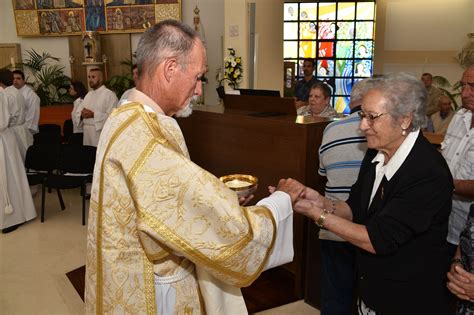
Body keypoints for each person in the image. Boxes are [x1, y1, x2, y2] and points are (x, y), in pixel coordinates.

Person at [85, 19, 301, 314]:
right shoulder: (144, 136)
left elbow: (164, 201)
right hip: (155, 293)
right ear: (170, 69)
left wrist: (223, 199)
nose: (199, 90)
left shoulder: (125, 117)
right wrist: (281, 201)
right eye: (198, 77)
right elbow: (232, 233)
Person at [289, 73, 453, 314]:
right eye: (362, 115)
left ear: (405, 120)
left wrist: (317, 215)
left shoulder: (427, 172)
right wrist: (318, 200)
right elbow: (354, 208)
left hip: (408, 298)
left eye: (371, 117)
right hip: (371, 289)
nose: (362, 125)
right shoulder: (376, 153)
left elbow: (378, 239)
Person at [317, 79, 368, 314]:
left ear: (351, 100)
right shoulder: (387, 134)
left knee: (335, 298)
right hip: (368, 229)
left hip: (333, 226)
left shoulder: (331, 128)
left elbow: (323, 172)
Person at [444, 65, 474, 306]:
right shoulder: (460, 117)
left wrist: (442, 184)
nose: (464, 93)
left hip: (469, 230)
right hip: (444, 220)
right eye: (463, 85)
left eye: (472, 87)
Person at [0, 90, 37, 234]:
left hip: (2, 140)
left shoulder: (1, 93)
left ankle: (14, 217)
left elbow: (2, 120)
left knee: (10, 179)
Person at [72, 68, 117, 146]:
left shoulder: (109, 95)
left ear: (101, 79)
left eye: (93, 77)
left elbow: (113, 117)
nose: (90, 80)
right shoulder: (88, 95)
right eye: (89, 77)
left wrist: (93, 114)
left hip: (100, 133)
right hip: (87, 133)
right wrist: (81, 115)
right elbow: (78, 113)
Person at [0, 70, 32, 161]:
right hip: (20, 128)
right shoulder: (16, 91)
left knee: (17, 159)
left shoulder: (6, 95)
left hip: (12, 130)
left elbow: (6, 117)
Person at [12, 70, 40, 135]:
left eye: (18, 78)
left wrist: (24, 131)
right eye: (13, 79)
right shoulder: (10, 93)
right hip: (13, 131)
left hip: (26, 131)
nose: (15, 80)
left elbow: (33, 115)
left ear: (24, 81)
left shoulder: (31, 95)